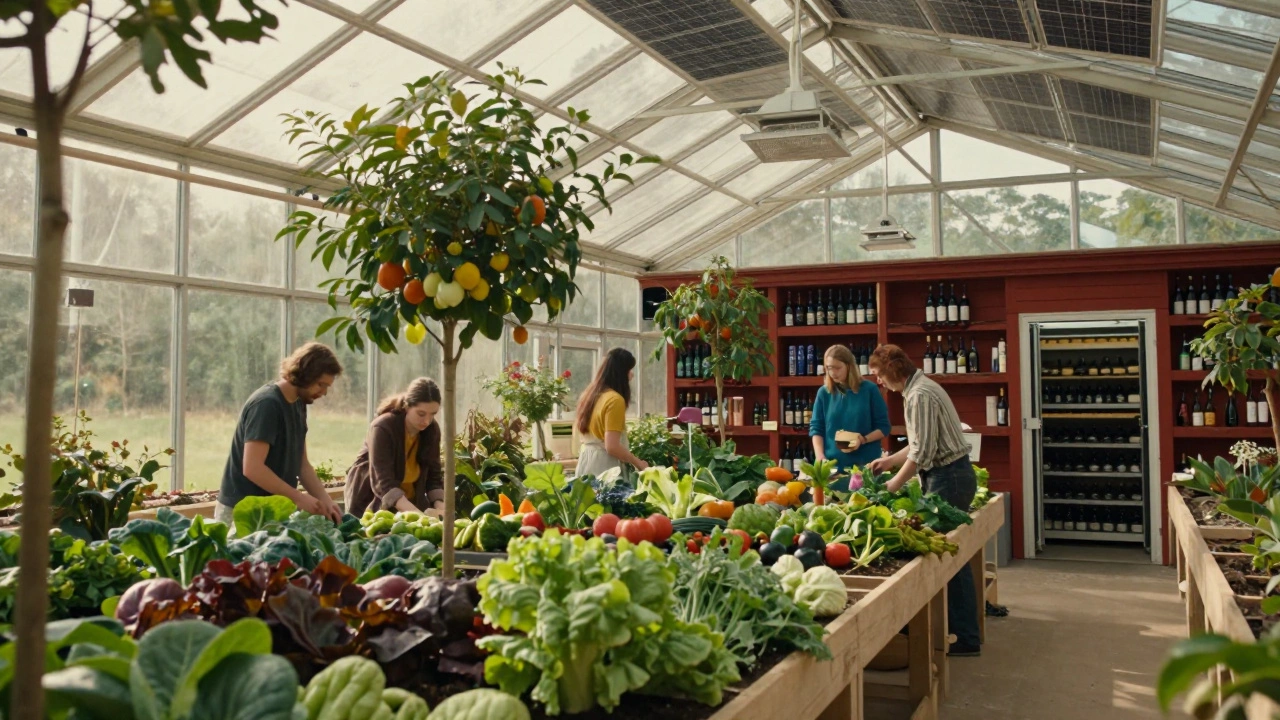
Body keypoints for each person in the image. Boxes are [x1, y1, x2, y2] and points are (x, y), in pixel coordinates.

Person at [866, 343, 981, 657]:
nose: (878, 382)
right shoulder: (920, 388)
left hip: (949, 478)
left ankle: (966, 637)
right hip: (951, 475)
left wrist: (892, 485)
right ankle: (964, 632)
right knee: (946, 555)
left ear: (892, 370)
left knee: (946, 559)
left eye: (878, 374)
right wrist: (888, 462)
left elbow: (922, 453)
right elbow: (918, 443)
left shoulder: (919, 395)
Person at [216, 342, 344, 528]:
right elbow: (252, 467)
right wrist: (298, 497)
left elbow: (303, 465)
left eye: (327, 387)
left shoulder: (298, 404)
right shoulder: (267, 404)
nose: (323, 393)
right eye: (320, 384)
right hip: (242, 512)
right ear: (305, 373)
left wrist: (325, 500)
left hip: (273, 509)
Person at [345, 378, 446, 516]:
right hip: (372, 503)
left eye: (433, 414)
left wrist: (441, 508)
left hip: (410, 503)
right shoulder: (383, 428)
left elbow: (434, 477)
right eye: (421, 414)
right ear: (407, 406)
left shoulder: (432, 430)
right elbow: (384, 483)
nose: (427, 421)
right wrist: (419, 516)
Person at [809, 344, 891, 491]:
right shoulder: (824, 393)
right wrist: (820, 456)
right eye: (828, 368)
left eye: (837, 367)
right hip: (833, 470)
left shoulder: (869, 390)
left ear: (849, 366)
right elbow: (816, 428)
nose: (833, 372)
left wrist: (863, 439)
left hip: (865, 468)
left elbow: (884, 427)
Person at [574, 348, 649, 477]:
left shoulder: (589, 395)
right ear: (621, 372)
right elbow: (612, 446)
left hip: (586, 461)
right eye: (629, 370)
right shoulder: (615, 400)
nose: (632, 375)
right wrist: (639, 464)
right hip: (605, 466)